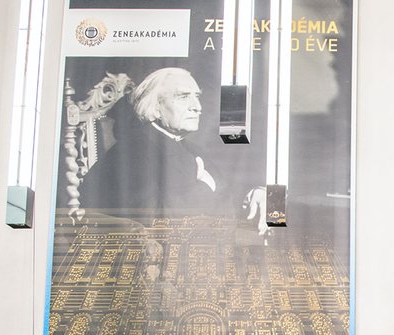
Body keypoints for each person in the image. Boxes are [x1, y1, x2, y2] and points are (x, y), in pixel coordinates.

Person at [78, 66, 268, 230]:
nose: (197, 107)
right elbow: (152, 223)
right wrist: (204, 188)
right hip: (163, 263)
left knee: (281, 212)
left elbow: (225, 191)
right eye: (184, 97)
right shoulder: (131, 153)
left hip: (209, 247)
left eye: (197, 97)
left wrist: (254, 193)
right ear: (155, 107)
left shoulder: (191, 148)